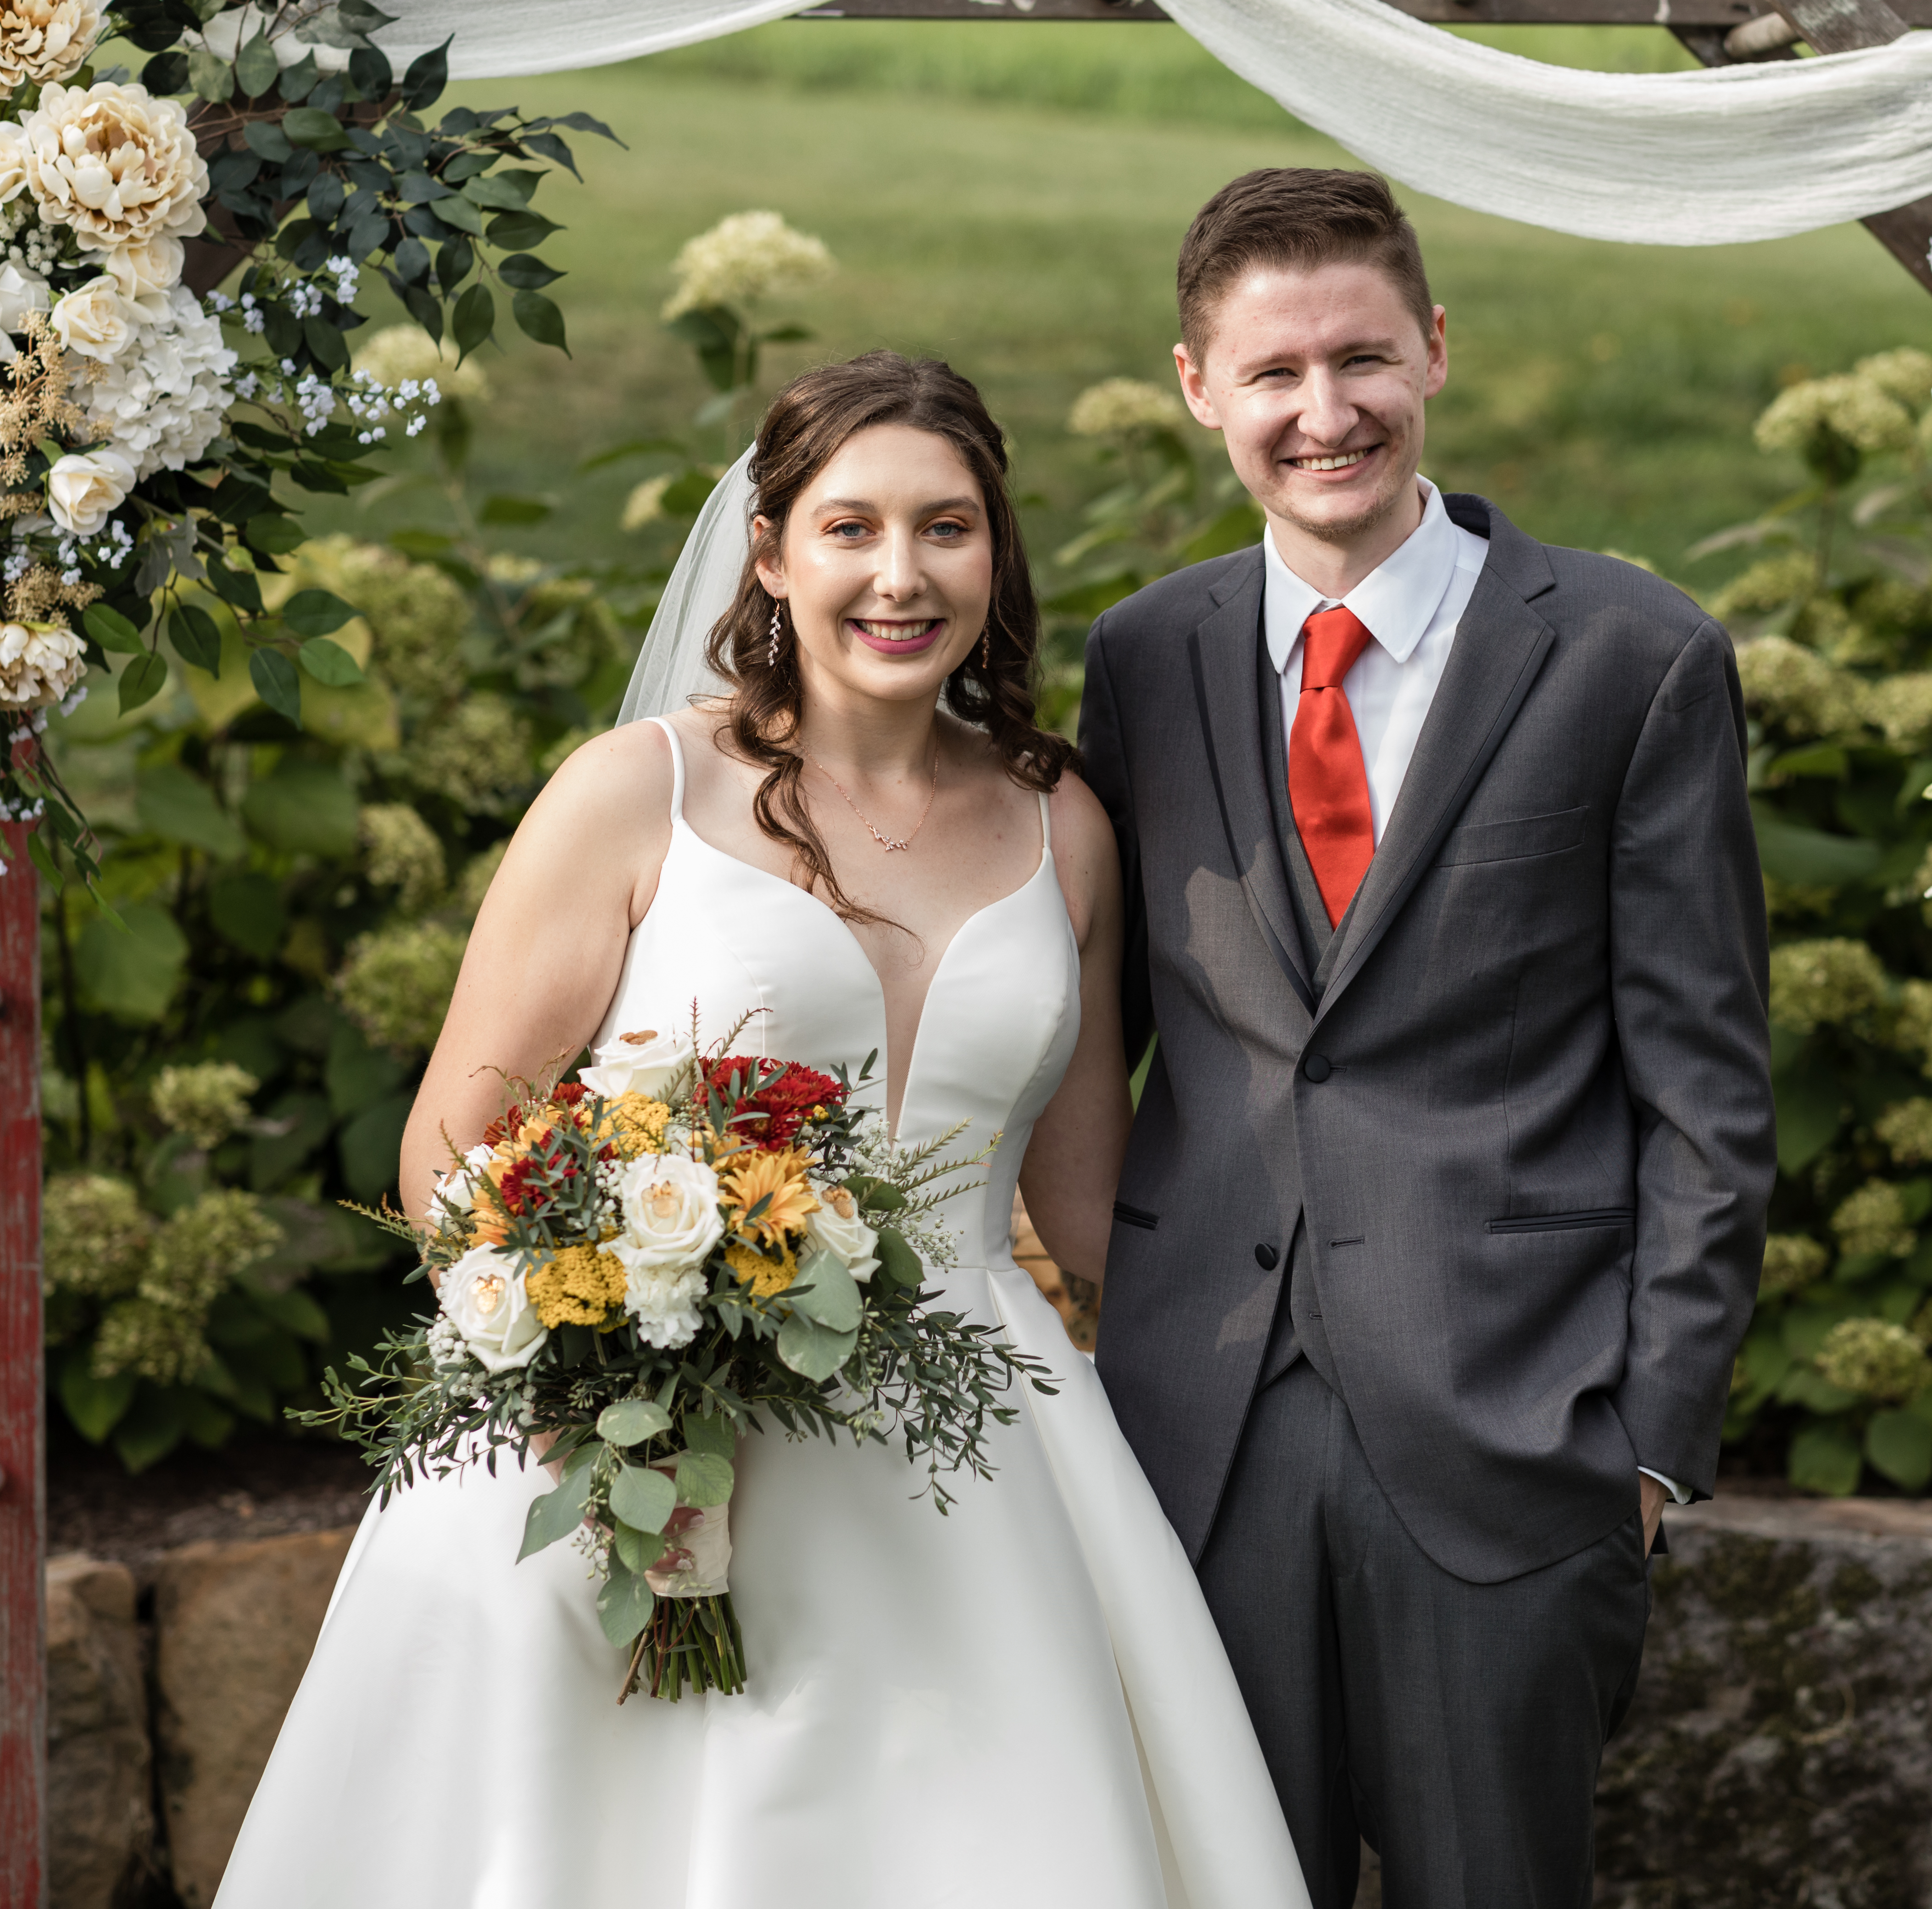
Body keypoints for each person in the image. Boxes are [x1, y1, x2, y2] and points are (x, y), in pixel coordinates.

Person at [217, 352, 1310, 1909]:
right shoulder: (635, 795)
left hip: (977, 1442)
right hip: (636, 1427)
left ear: (996, 554)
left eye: (948, 528)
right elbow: (457, 1142)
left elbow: (1089, 1210)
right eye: (852, 527)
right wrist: (591, 1382)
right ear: (774, 550)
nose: (902, 573)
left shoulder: (1064, 825)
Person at [1077, 168, 1776, 1909]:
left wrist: (1650, 1444)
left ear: (1437, 352)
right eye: (1274, 374)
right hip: (1200, 1433)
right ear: (1197, 388)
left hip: (1519, 1440)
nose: (1327, 414)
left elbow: (1709, 1095)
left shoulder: (1633, 655)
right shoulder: (1143, 662)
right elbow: (1085, 1039)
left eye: (1364, 358)